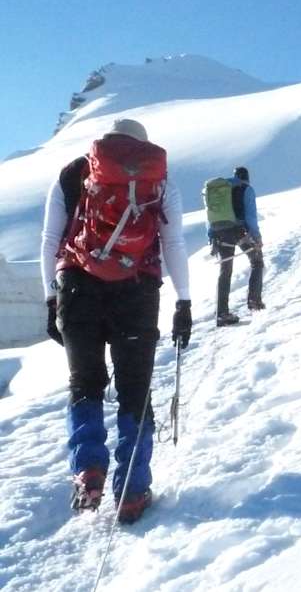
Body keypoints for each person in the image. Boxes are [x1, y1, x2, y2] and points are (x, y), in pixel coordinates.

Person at [40, 118, 192, 524]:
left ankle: (88, 469)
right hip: (137, 292)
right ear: (144, 149)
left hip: (76, 288)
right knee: (134, 390)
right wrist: (184, 301)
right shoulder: (161, 182)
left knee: (85, 384)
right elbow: (173, 243)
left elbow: (50, 240)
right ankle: (132, 491)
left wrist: (51, 298)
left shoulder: (74, 173)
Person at [206, 166, 265, 326]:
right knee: (257, 261)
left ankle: (222, 314)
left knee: (225, 271)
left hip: (219, 233)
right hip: (238, 232)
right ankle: (254, 300)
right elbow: (250, 217)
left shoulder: (220, 190)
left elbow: (210, 215)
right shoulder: (246, 189)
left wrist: (211, 237)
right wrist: (257, 238)